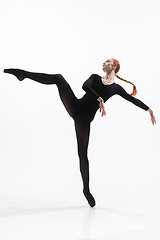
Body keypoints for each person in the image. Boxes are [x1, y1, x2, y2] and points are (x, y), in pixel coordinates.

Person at [4, 58, 156, 207]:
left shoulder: (115, 88)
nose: (103, 63)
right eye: (103, 61)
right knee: (58, 78)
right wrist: (99, 98)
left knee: (83, 154)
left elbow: (132, 99)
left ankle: (86, 189)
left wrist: (149, 110)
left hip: (84, 120)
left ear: (114, 66)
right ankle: (23, 74)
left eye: (107, 61)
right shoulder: (95, 78)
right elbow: (84, 86)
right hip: (76, 106)